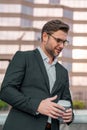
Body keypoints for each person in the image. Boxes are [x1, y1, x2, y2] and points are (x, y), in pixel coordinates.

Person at [0, 19, 74, 130]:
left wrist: (70, 115)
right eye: (58, 40)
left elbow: (67, 101)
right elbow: (6, 90)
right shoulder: (23, 57)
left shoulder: (63, 72)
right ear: (45, 37)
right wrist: (37, 105)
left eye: (64, 42)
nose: (62, 46)